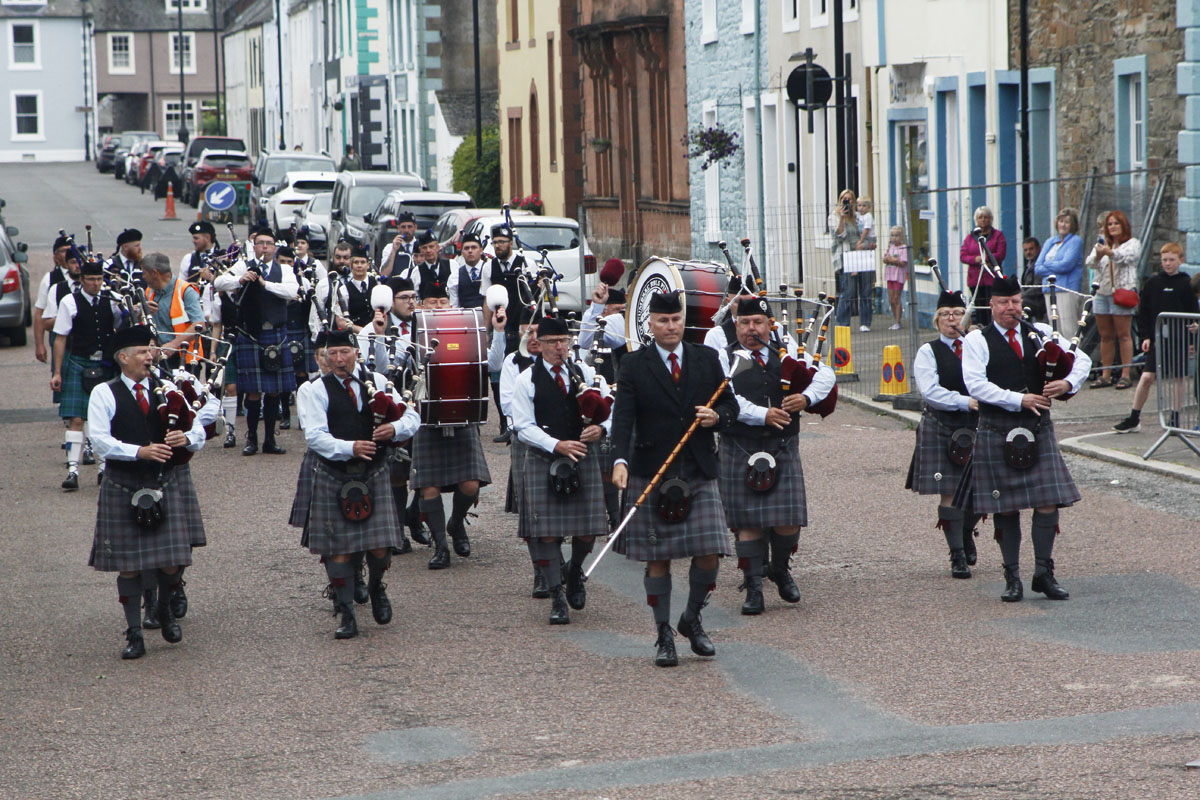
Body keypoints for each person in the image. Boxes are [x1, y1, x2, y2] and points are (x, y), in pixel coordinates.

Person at [609, 290, 739, 667]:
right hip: (652, 468)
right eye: (663, 321)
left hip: (698, 467)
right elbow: (623, 419)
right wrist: (620, 460)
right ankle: (663, 633)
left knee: (711, 551)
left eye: (676, 320)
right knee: (658, 559)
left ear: (684, 320)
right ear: (650, 324)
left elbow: (727, 403)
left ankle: (692, 617)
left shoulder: (707, 358)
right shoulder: (634, 365)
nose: (671, 326)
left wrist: (718, 418)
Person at [957, 275, 1090, 603]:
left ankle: (1043, 574)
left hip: (1038, 430)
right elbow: (975, 385)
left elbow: (1081, 358)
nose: (1011, 308)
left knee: (1047, 503)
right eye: (1004, 302)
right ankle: (1012, 577)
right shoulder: (978, 340)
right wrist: (1020, 399)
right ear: (992, 305)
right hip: (996, 429)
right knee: (1006, 507)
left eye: (1016, 301)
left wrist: (1068, 384)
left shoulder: (1040, 333)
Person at [86, 325, 207, 659]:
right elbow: (98, 440)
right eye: (142, 351)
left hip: (163, 484)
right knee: (129, 567)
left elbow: (197, 425)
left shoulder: (167, 389)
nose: (150, 356)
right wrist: (139, 451)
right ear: (123, 358)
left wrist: (188, 438)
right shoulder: (104, 393)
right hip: (123, 484)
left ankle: (165, 609)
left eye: (151, 350)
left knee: (171, 563)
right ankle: (134, 633)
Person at [296, 327, 420, 639]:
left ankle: (377, 586)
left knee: (380, 548)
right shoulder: (314, 390)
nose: (339, 360)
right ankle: (347, 613)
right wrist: (349, 447)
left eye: (345, 353)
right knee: (338, 551)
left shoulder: (378, 382)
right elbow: (314, 436)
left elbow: (411, 416)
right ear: (325, 357)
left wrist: (395, 428)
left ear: (356, 353)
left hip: (374, 473)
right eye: (332, 354)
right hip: (334, 474)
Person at [717, 296, 834, 614]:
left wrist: (806, 398)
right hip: (740, 445)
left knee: (788, 523)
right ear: (736, 325)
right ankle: (753, 588)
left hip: (781, 446)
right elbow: (728, 399)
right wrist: (763, 414)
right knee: (748, 524)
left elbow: (826, 375)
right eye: (744, 323)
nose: (751, 329)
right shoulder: (723, 358)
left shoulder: (787, 355)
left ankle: (780, 569)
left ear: (771, 325)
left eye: (757, 322)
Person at [510, 315, 612, 624]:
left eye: (563, 341)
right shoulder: (525, 380)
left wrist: (602, 429)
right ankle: (557, 595)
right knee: (548, 534)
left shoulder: (587, 373)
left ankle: (575, 570)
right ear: (538, 345)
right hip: (545, 459)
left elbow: (611, 410)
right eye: (553, 342)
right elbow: (522, 427)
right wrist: (557, 445)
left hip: (583, 458)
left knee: (587, 529)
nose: (559, 347)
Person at [907, 290, 982, 578]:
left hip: (978, 425)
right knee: (950, 492)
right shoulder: (929, 351)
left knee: (978, 491)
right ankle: (957, 555)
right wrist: (966, 401)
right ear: (937, 321)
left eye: (957, 313)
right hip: (942, 424)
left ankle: (965, 533)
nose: (952, 319)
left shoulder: (978, 345)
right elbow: (930, 391)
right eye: (946, 314)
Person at [212, 226, 297, 456]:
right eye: (261, 243)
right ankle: (252, 440)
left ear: (275, 247)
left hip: (276, 335)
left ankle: (270, 440)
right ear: (254, 245)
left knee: (273, 392)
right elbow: (219, 283)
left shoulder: (284, 270)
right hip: (251, 335)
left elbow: (292, 291)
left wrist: (264, 284)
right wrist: (240, 279)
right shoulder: (244, 265)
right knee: (252, 392)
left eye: (269, 244)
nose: (265, 248)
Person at [50, 259, 123, 490]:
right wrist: (57, 372)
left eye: (99, 279)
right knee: (77, 419)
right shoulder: (69, 302)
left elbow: (122, 327)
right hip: (78, 363)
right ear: (81, 280)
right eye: (91, 279)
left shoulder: (112, 301)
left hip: (105, 364)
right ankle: (73, 470)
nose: (96, 284)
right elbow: (60, 338)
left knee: (106, 419)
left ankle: (103, 470)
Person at [1113, 242, 1200, 433]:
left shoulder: (1186, 284)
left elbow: (1193, 313)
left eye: (1171, 260)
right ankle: (1134, 417)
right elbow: (1143, 312)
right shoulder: (1153, 283)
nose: (1167, 264)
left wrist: (1192, 341)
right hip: (1157, 339)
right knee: (1146, 377)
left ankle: (1175, 418)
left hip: (1180, 340)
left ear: (1180, 261)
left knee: (1178, 378)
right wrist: (1145, 336)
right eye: (1164, 260)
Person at [1085, 210, 1141, 389]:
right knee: (1106, 336)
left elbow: (1126, 258)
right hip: (1102, 292)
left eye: (1116, 223)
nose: (1112, 227)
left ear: (1123, 225)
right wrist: (1100, 254)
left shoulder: (1132, 243)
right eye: (1109, 224)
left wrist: (1109, 252)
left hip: (1122, 293)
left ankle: (1125, 374)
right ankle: (1106, 374)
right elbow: (1090, 262)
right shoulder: (1101, 244)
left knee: (1124, 335)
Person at [143, 252, 205, 371]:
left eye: (144, 273)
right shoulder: (149, 291)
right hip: (159, 358)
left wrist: (174, 345)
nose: (143, 277)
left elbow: (200, 325)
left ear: (155, 273)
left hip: (184, 360)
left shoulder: (185, 291)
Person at [1033, 209, 1085, 336]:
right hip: (1049, 289)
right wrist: (1056, 264)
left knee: (1069, 328)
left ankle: (1073, 354)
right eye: (1061, 221)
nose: (1063, 225)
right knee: (1055, 329)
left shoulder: (1075, 241)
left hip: (1066, 288)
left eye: (1067, 222)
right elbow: (1037, 267)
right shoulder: (1050, 241)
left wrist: (1048, 264)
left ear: (1073, 225)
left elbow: (1066, 265)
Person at [832, 189, 876, 330]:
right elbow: (839, 235)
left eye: (850, 199)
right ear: (840, 201)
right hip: (847, 258)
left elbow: (868, 234)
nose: (848, 202)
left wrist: (866, 245)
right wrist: (842, 218)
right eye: (844, 199)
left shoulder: (859, 217)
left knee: (866, 290)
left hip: (862, 256)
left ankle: (865, 323)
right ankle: (843, 323)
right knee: (849, 291)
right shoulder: (834, 216)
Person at [34, 236, 80, 366]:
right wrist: (39, 345)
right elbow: (39, 313)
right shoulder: (50, 279)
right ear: (56, 256)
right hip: (60, 336)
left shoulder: (87, 279)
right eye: (64, 251)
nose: (68, 253)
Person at [959, 206, 1007, 328]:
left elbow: (1000, 254)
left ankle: (994, 328)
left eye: (986, 217)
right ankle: (981, 329)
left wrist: (984, 257)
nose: (983, 220)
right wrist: (975, 259)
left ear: (991, 219)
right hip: (975, 280)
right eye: (980, 217)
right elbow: (963, 256)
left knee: (992, 305)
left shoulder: (998, 236)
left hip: (992, 278)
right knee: (979, 307)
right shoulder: (970, 238)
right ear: (976, 220)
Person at [449, 233, 487, 309]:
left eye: (474, 247)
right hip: (465, 319)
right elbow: (454, 306)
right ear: (462, 252)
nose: (470, 251)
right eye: (466, 248)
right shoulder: (455, 276)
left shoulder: (490, 270)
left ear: (481, 250)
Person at [881, 225, 908, 330]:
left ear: (901, 236)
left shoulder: (903, 248)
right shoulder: (890, 247)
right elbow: (885, 259)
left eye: (897, 235)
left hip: (898, 276)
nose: (894, 238)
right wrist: (888, 259)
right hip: (890, 275)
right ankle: (895, 319)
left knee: (897, 298)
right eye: (892, 235)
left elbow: (902, 262)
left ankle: (898, 321)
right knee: (891, 299)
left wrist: (891, 260)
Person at [379, 212, 418, 278]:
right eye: (403, 227)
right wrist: (394, 250)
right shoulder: (389, 247)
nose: (406, 230)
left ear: (415, 227)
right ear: (398, 228)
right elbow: (384, 274)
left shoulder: (421, 246)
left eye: (409, 226)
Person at [1020, 237, 1044, 323]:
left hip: (1039, 300)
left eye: (1031, 249)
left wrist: (1021, 296)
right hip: (1029, 298)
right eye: (1025, 250)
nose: (1028, 252)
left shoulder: (1040, 263)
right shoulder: (1029, 264)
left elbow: (1038, 287)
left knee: (1018, 305)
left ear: (1038, 248)